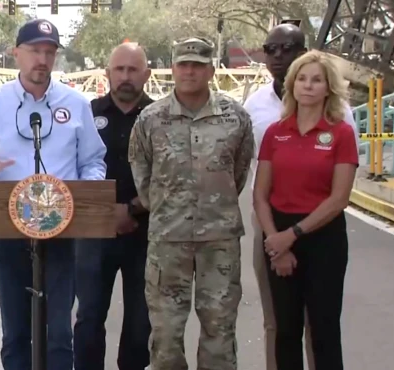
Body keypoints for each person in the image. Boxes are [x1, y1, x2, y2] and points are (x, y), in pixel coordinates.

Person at [0, 19, 106, 370]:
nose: (42, 59)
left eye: (49, 52)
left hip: (61, 231)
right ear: (16, 54)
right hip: (5, 231)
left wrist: (86, 191)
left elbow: (93, 161)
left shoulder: (76, 103)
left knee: (58, 334)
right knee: (15, 333)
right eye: (35, 51)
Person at [128, 37, 254, 370]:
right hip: (168, 240)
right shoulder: (151, 119)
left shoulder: (235, 117)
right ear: (173, 68)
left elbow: (239, 171)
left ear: (211, 70)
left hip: (219, 240)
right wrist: (164, 207)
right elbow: (141, 171)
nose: (190, 71)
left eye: (198, 65)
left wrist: (214, 203)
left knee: (220, 328)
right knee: (166, 334)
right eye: (183, 64)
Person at [244, 23, 359, 370]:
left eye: (317, 80)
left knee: (323, 328)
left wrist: (290, 237)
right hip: (277, 232)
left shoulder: (340, 132)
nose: (308, 86)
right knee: (284, 330)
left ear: (328, 87)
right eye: (303, 79)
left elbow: (339, 198)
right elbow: (261, 194)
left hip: (322, 236)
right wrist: (274, 241)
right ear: (293, 83)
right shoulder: (275, 132)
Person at [73, 42, 152, 370]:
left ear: (146, 74)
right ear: (107, 73)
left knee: (140, 319)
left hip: (145, 232)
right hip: (94, 233)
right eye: (119, 69)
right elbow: (71, 168)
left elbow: (169, 176)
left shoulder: (160, 116)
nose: (125, 76)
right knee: (89, 317)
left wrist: (132, 210)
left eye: (133, 69)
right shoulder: (86, 114)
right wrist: (107, 212)